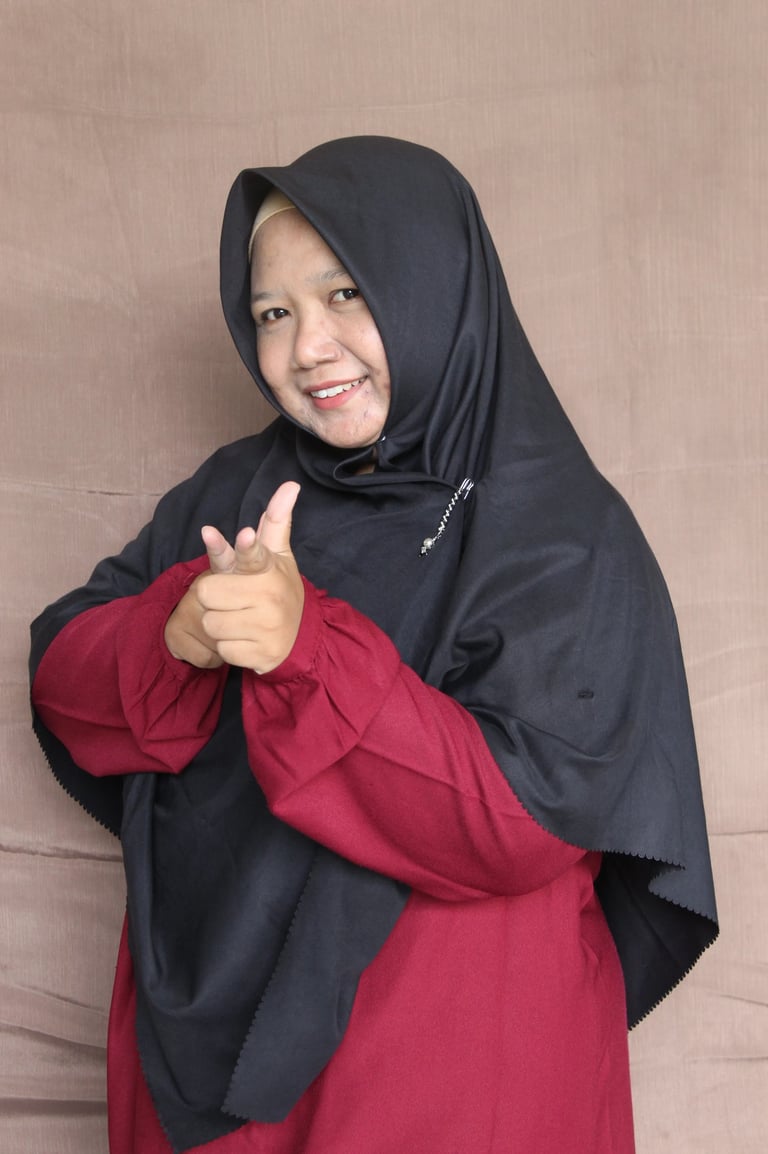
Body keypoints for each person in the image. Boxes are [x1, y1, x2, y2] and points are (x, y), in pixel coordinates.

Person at [30, 136, 718, 1154]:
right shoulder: (235, 490)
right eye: (273, 313)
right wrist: (175, 632)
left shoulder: (564, 535)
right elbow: (64, 678)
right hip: (212, 1063)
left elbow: (520, 821)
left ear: (435, 286)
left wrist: (306, 652)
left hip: (448, 1064)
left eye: (346, 294)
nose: (308, 347)